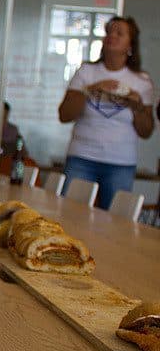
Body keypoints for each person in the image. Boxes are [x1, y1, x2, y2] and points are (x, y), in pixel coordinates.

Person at [58, 15, 154, 209]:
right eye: (109, 32)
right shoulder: (86, 72)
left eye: (120, 33)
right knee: (70, 215)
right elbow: (64, 115)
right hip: (82, 157)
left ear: (130, 45)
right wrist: (89, 90)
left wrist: (138, 106)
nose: (112, 36)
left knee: (114, 224)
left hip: (120, 162)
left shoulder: (142, 82)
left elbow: (146, 131)